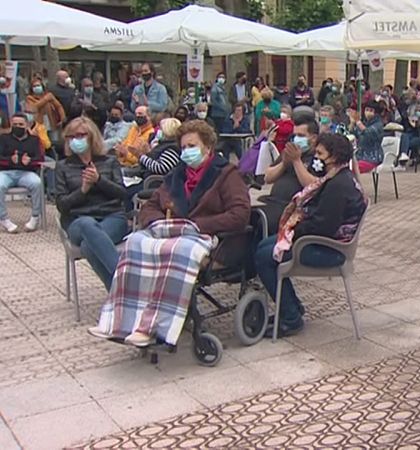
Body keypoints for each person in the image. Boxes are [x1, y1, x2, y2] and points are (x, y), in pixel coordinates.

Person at [89, 119, 251, 346]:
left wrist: (195, 224)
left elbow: (240, 214)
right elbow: (150, 207)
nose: (187, 152)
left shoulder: (226, 174)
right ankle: (119, 322)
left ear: (208, 147)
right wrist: (161, 223)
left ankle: (152, 328)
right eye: (183, 148)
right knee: (134, 242)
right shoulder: (177, 176)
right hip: (175, 234)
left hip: (213, 239)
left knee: (177, 251)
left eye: (192, 146)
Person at [254, 133, 368, 337]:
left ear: (333, 157)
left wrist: (294, 229)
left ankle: (291, 318)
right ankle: (291, 307)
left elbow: (323, 226)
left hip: (328, 250)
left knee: (264, 257)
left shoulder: (338, 186)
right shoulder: (337, 178)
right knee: (264, 246)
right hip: (322, 242)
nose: (316, 158)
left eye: (320, 153)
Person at [55, 117, 128, 291]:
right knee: (87, 224)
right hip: (77, 220)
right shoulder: (63, 166)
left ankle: (118, 295)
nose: (75, 140)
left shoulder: (109, 161)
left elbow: (122, 193)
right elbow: (62, 205)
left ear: (92, 136)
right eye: (71, 136)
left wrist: (99, 180)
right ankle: (126, 280)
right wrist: (83, 190)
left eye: (80, 135)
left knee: (89, 247)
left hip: (111, 216)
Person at [259, 118, 324, 234]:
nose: (296, 139)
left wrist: (296, 161)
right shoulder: (289, 152)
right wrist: (284, 163)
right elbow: (267, 178)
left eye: (301, 135)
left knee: (265, 222)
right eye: (294, 135)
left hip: (292, 208)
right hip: (272, 201)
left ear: (313, 138)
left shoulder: (318, 157)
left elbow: (313, 186)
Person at [0, 114, 44, 233]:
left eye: (20, 124)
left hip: (26, 172)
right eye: (15, 124)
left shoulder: (35, 140)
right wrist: (10, 160)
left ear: (27, 125)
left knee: (37, 183)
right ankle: (3, 219)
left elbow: (41, 159)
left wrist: (30, 161)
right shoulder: (3, 138)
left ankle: (35, 217)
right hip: (6, 172)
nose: (17, 127)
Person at [26, 78, 66, 145]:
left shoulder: (49, 95)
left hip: (51, 122)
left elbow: (59, 106)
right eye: (35, 86)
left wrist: (62, 118)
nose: (37, 87)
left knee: (54, 142)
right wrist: (46, 99)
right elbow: (34, 107)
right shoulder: (29, 98)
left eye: (38, 85)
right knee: (42, 142)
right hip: (39, 124)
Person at [349, 101, 385, 174]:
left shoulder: (378, 124)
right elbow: (354, 134)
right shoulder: (364, 123)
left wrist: (358, 122)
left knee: (353, 169)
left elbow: (368, 132)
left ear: (376, 113)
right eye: (366, 110)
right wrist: (352, 123)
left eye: (371, 111)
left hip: (372, 158)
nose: (368, 112)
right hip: (359, 156)